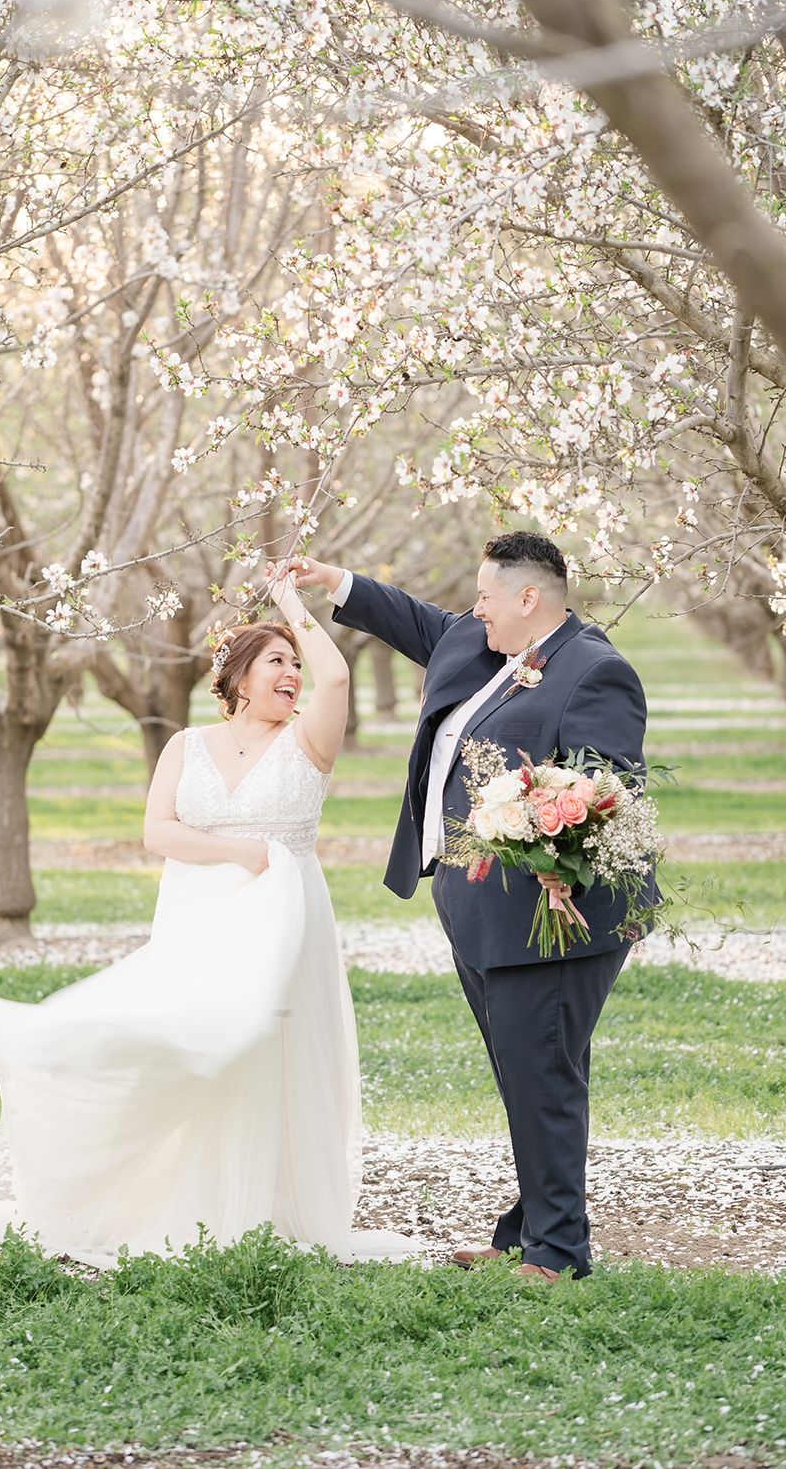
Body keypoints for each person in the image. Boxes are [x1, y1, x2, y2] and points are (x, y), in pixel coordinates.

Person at [0, 570, 419, 1267]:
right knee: (184, 1053)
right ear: (238, 677)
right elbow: (158, 832)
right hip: (199, 924)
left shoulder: (308, 743)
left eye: (295, 663)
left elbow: (338, 680)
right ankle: (178, 1201)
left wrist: (291, 603)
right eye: (275, 662)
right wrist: (243, 853)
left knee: (265, 1056)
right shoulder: (185, 747)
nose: (292, 674)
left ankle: (261, 1210)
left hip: (285, 926)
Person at [289, 530, 651, 1283]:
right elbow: (418, 621)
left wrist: (558, 866)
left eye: (487, 595)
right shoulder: (483, 644)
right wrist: (336, 581)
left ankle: (558, 1253)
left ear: (530, 598)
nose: (473, 607)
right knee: (529, 1074)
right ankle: (528, 1231)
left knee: (543, 1077)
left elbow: (607, 793)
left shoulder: (595, 672)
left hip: (552, 916)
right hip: (481, 910)